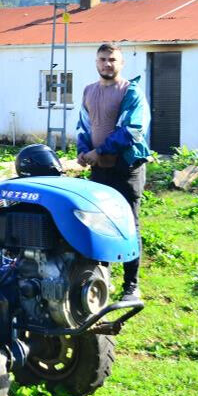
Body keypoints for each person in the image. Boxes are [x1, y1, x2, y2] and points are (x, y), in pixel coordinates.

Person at [76, 42, 151, 301]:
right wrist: (83, 150)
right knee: (99, 222)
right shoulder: (89, 91)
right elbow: (83, 125)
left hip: (126, 167)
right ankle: (101, 279)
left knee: (129, 222)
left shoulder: (131, 91)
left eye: (112, 60)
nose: (107, 64)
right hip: (100, 170)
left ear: (122, 63)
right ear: (96, 62)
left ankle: (132, 286)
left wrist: (100, 152)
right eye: (102, 59)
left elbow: (132, 130)